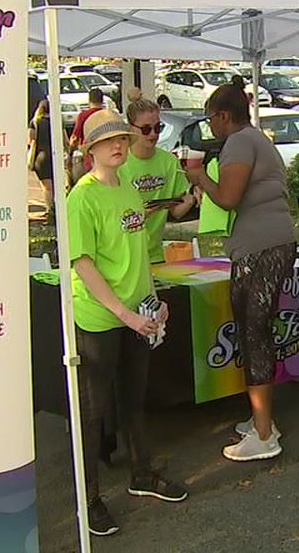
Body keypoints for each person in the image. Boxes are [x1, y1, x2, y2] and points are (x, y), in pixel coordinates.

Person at [67, 107, 189, 537]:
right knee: (94, 412)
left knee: (135, 401)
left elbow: (138, 256)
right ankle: (89, 499)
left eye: (121, 138)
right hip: (100, 318)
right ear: (91, 148)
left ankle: (142, 474)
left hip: (138, 313)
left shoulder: (130, 189)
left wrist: (152, 303)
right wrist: (123, 313)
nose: (118, 146)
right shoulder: (81, 197)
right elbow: (82, 264)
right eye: (108, 141)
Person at [185, 82, 298, 462]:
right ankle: (261, 418)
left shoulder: (237, 142)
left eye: (211, 119)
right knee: (256, 332)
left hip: (260, 249)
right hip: (273, 241)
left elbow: (228, 197)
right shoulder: (259, 140)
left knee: (254, 334)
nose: (210, 127)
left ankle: (265, 434)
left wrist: (200, 176)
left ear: (222, 116)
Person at [119, 90, 196, 264]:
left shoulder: (169, 161)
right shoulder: (119, 163)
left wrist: (191, 199)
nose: (153, 134)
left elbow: (176, 212)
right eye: (146, 129)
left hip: (155, 255)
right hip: (123, 256)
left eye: (158, 128)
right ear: (131, 127)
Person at [28, 100, 60, 218]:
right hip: (55, 156)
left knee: (46, 187)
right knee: (56, 185)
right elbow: (65, 140)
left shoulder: (35, 122)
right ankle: (58, 208)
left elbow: (30, 139)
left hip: (41, 157)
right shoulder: (56, 122)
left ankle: (49, 209)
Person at [69, 88, 107, 180]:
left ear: (89, 100)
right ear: (102, 100)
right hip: (105, 152)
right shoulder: (107, 115)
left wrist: (70, 151)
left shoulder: (83, 115)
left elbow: (75, 138)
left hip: (88, 154)